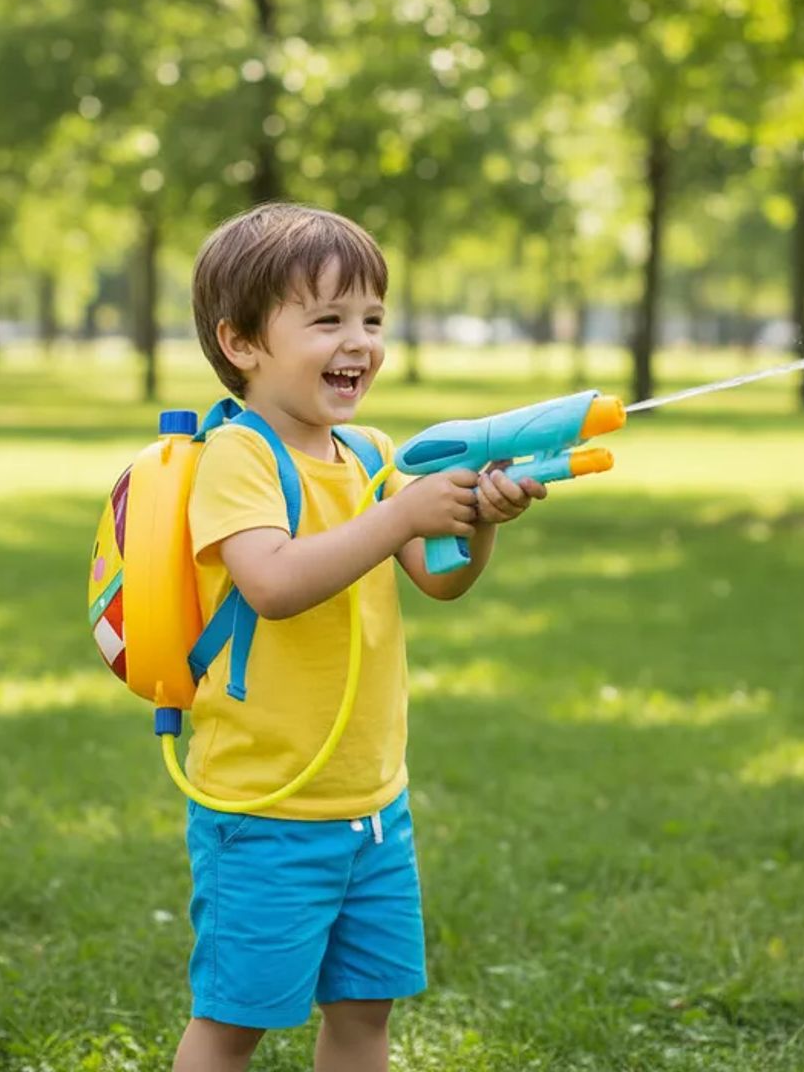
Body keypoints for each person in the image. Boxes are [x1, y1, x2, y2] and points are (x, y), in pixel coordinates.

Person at [172, 202, 547, 1072]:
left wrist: (476, 517)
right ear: (242, 344)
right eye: (328, 319)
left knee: (364, 1014)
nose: (360, 342)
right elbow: (272, 584)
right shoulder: (241, 455)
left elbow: (440, 580)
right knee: (236, 1022)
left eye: (372, 319)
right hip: (265, 808)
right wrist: (401, 513)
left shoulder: (374, 452)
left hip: (374, 807)